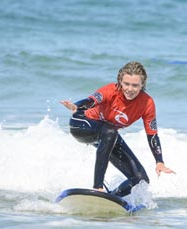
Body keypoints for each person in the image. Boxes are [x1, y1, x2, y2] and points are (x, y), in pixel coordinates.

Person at [60, 61, 175, 197]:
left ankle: (111, 199)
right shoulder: (110, 90)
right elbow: (91, 100)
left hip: (108, 135)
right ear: (120, 81)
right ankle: (98, 187)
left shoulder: (147, 103)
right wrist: (77, 106)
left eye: (135, 85)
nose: (130, 89)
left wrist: (159, 161)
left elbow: (152, 134)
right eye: (126, 84)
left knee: (140, 180)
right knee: (110, 131)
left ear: (142, 85)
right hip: (82, 123)